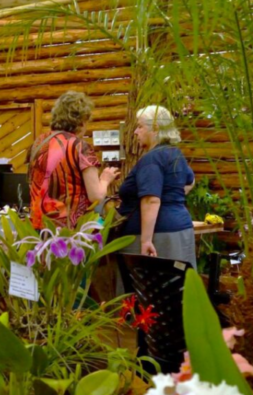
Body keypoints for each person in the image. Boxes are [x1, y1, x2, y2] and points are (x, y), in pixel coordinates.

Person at [118, 105, 197, 268]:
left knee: (153, 282)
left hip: (158, 236)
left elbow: (151, 200)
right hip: (180, 229)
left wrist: (146, 240)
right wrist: (171, 199)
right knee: (181, 280)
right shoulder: (174, 153)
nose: (135, 132)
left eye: (140, 126)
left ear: (155, 128)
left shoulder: (152, 159)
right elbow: (190, 181)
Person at [28, 91, 119, 229]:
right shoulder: (80, 147)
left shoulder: (39, 143)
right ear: (81, 121)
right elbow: (96, 196)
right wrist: (105, 179)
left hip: (38, 225)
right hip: (70, 229)